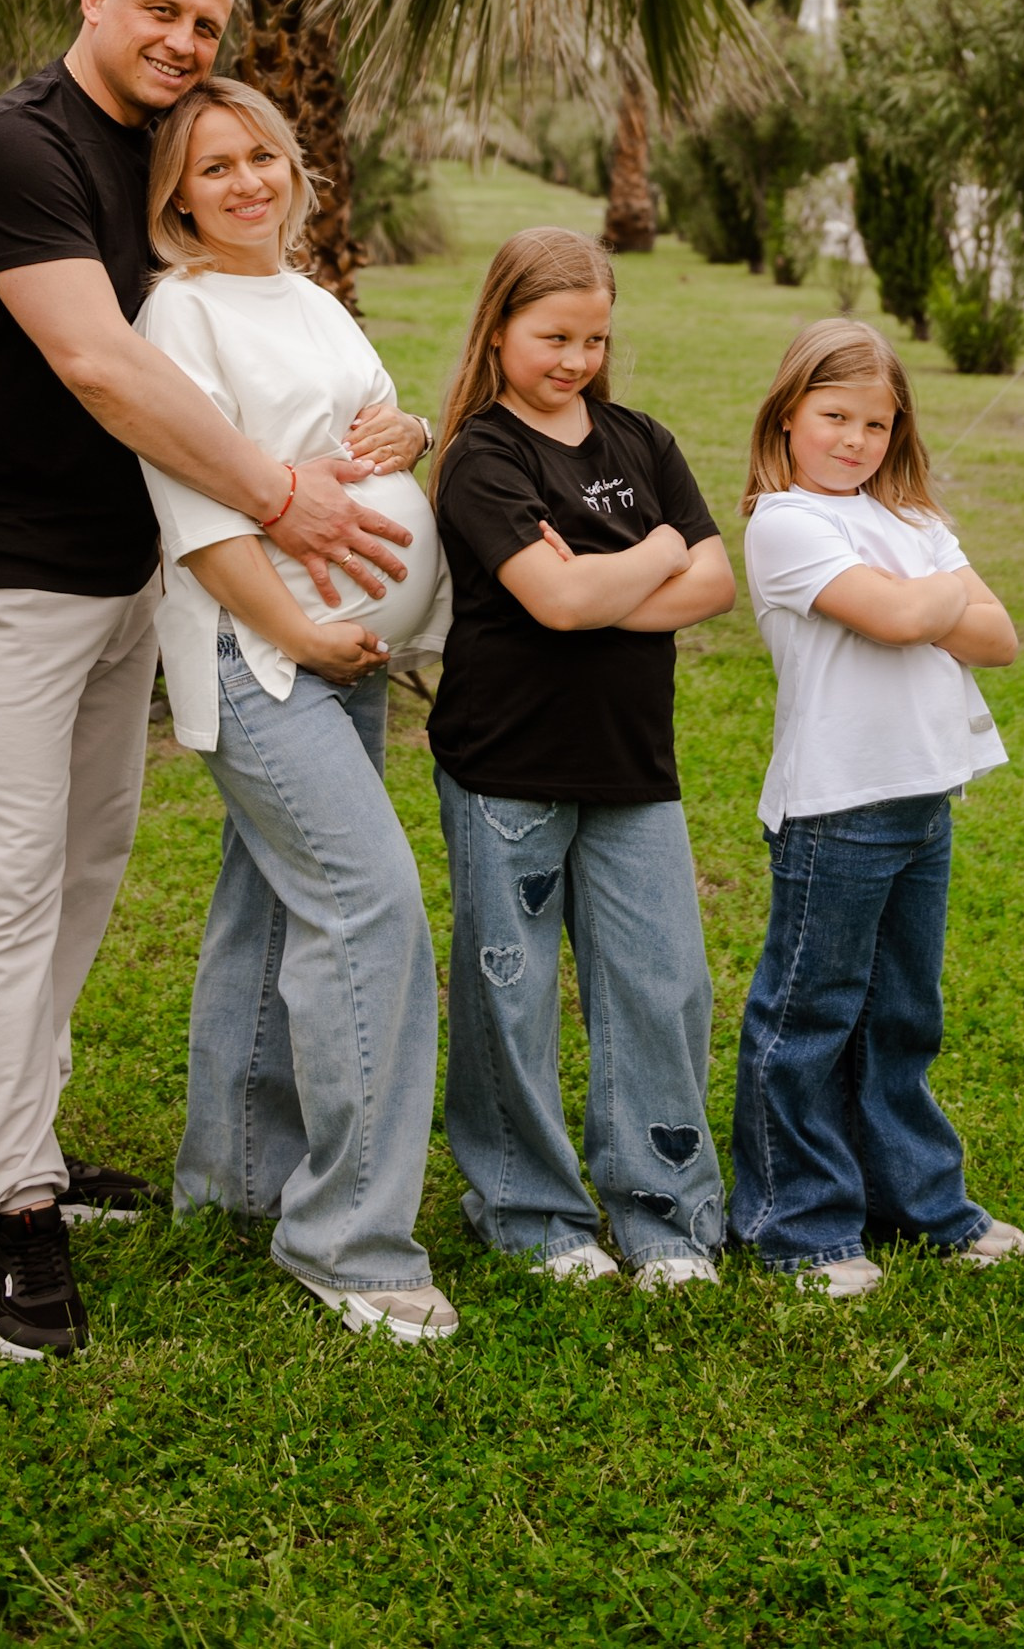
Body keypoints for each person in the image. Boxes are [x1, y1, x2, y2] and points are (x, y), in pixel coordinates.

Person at [0, 0, 412, 1362]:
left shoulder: (162, 150)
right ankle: (15, 1211)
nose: (186, 45)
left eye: (207, 27)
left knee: (80, 868)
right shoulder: (21, 148)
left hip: (127, 572)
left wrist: (382, 429)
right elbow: (98, 359)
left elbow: (237, 330)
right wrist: (284, 498)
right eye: (163, 12)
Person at [136, 76, 457, 1344]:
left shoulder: (312, 298)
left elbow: (375, 431)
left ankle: (235, 1181)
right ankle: (352, 1244)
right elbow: (197, 509)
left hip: (342, 646)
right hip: (258, 654)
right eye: (214, 168)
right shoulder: (180, 313)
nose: (247, 183)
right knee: (370, 909)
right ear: (176, 196)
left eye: (261, 157)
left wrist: (415, 427)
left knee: (271, 906)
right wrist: (300, 632)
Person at [427, 227, 736, 1287]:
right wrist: (653, 552)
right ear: (501, 327)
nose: (575, 359)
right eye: (554, 336)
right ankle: (530, 1212)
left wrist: (610, 577)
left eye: (594, 338)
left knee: (664, 984)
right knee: (507, 987)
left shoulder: (639, 440)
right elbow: (555, 603)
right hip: (507, 762)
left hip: (631, 762)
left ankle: (664, 1216)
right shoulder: (482, 455)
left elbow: (716, 583)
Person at [729, 319, 1024, 1297]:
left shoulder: (909, 524)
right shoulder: (785, 522)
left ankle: (915, 1196)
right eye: (834, 417)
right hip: (836, 806)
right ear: (788, 416)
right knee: (809, 1012)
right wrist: (937, 596)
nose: (855, 441)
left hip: (920, 795)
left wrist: (925, 594)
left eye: (877, 424)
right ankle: (796, 1222)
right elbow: (912, 618)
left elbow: (1000, 639)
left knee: (902, 1013)